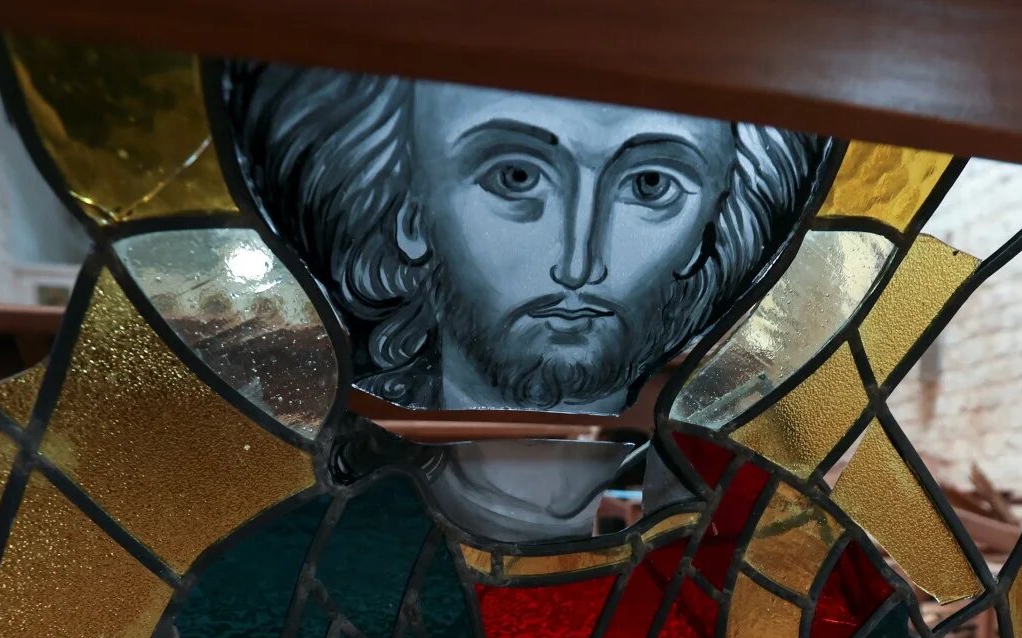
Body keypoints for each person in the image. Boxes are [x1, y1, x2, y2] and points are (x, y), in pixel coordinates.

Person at [226, 65, 825, 415]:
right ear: (409, 213)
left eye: (649, 185)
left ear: (706, 232)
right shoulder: (302, 455)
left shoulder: (735, 507)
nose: (578, 264)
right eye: (515, 177)